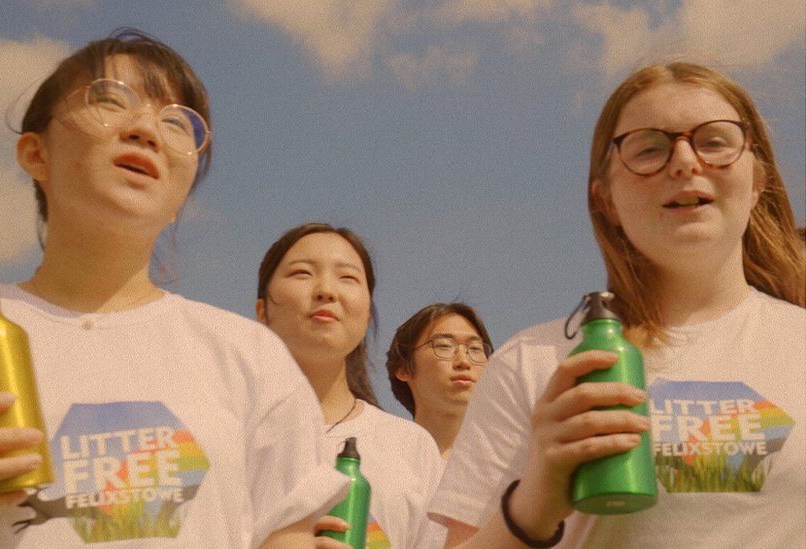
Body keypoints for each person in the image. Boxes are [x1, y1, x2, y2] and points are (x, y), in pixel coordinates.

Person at [0, 30, 346, 548]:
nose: (146, 129)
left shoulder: (252, 360)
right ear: (35, 154)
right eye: (109, 99)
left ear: (184, 186)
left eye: (176, 123)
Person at [430, 61, 805, 548]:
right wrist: (534, 502)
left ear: (758, 180)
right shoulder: (533, 362)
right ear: (604, 198)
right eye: (649, 148)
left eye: (715, 141)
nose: (685, 162)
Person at [256, 222, 444, 548]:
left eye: (348, 278)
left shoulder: (411, 448)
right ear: (262, 311)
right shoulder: (231, 432)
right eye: (302, 273)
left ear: (368, 314)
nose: (327, 291)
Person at [385, 302, 493, 458]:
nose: (463, 361)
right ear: (404, 369)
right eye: (444, 346)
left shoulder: (514, 464)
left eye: (475, 349)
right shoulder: (380, 458)